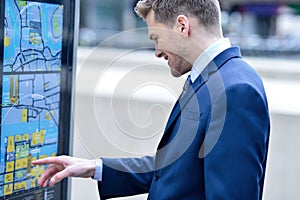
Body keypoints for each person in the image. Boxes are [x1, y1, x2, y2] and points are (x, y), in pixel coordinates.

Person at [33, 0, 270, 199]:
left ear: (181, 26)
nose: (156, 51)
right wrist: (95, 168)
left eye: (156, 37)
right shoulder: (216, 79)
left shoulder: (235, 91)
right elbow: (176, 168)